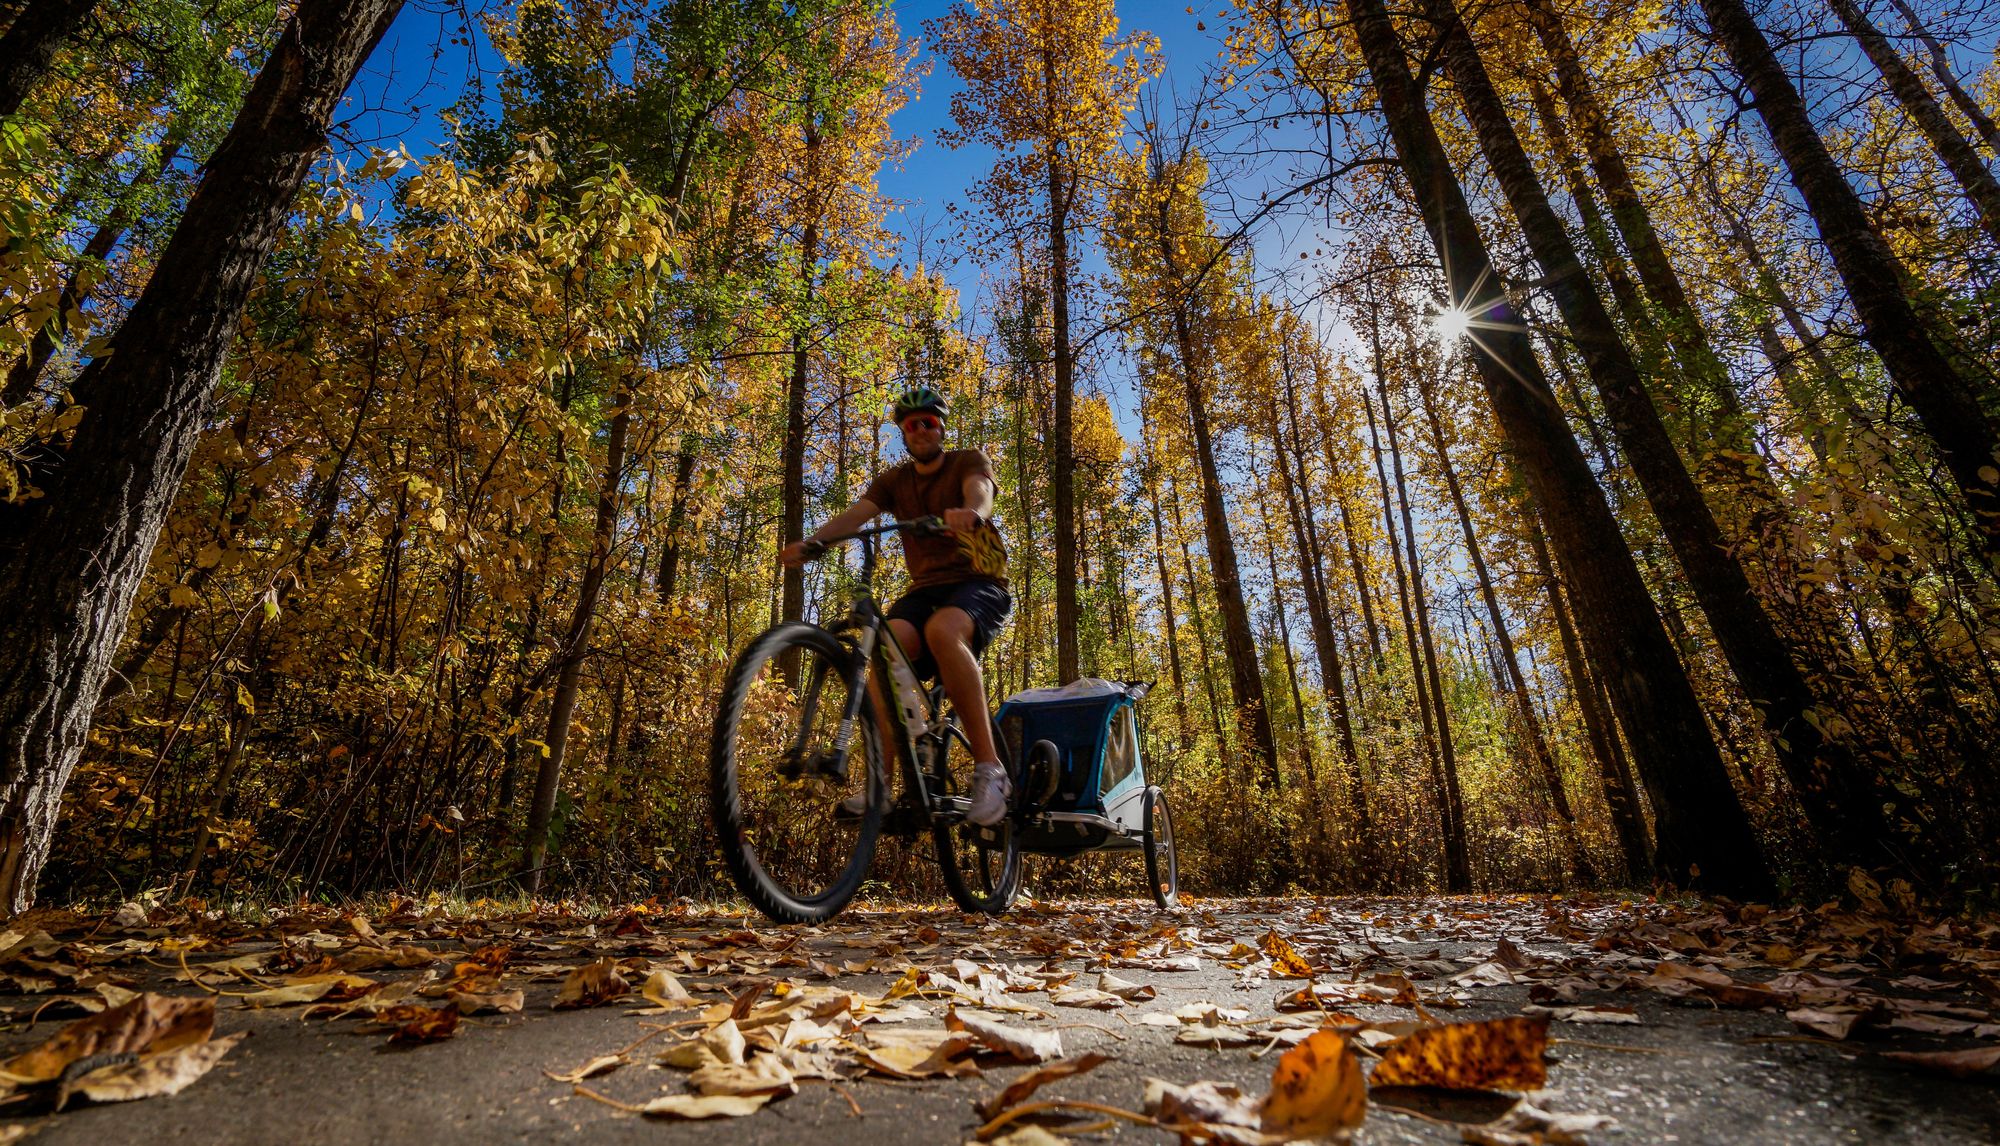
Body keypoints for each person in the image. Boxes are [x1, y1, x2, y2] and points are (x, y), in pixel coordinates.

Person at [778, 385, 1014, 826]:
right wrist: (816, 541)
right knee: (885, 651)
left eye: (928, 422)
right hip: (925, 590)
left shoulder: (967, 461)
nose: (920, 429)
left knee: (942, 631)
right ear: (903, 435)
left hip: (979, 582)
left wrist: (972, 512)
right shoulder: (895, 481)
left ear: (940, 428)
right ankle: (881, 785)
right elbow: (857, 513)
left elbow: (980, 489)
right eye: (910, 425)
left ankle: (990, 769)